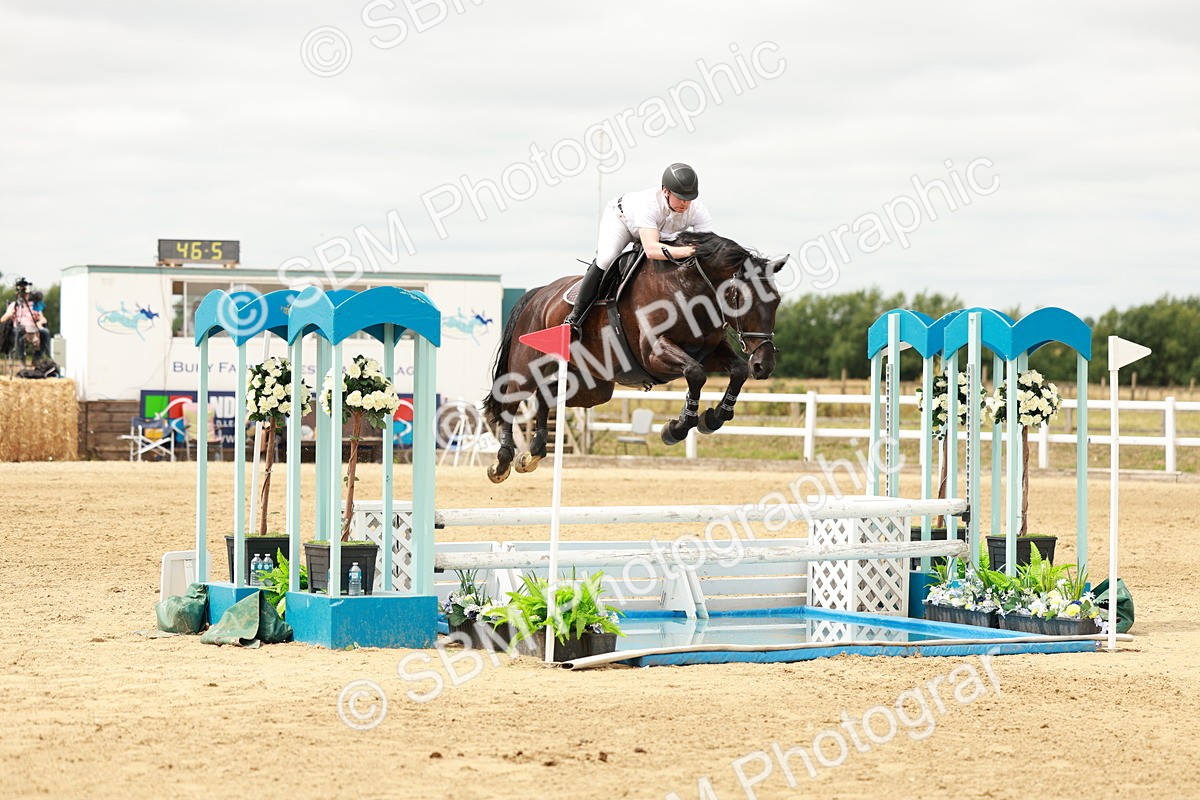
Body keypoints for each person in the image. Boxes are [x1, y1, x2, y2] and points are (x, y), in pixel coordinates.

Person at [563, 162, 714, 336]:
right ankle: (575, 318)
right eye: (680, 197)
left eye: (689, 198)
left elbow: (707, 250)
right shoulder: (649, 204)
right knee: (607, 258)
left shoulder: (699, 211)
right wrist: (688, 251)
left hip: (659, 233)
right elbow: (651, 249)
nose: (685, 203)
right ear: (665, 191)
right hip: (622, 221)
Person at [1, 279, 50, 359]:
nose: (25, 296)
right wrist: (9, 315)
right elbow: (2, 319)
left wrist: (39, 323)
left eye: (26, 294)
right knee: (17, 333)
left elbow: (43, 319)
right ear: (18, 294)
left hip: (33, 329)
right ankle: (22, 360)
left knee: (45, 332)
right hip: (20, 329)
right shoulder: (14, 305)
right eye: (23, 294)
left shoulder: (34, 305)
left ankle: (37, 357)